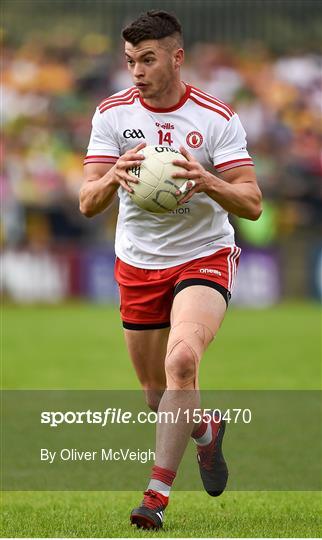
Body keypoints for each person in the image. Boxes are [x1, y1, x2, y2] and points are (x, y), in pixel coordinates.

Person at [80, 10, 262, 530]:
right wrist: (114, 174)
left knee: (182, 363)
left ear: (177, 58)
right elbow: (87, 202)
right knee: (156, 394)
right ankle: (205, 430)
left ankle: (155, 495)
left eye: (148, 59)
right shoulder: (111, 116)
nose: (136, 70)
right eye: (130, 60)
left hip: (203, 253)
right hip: (138, 261)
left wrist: (207, 181)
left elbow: (251, 204)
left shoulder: (216, 117)